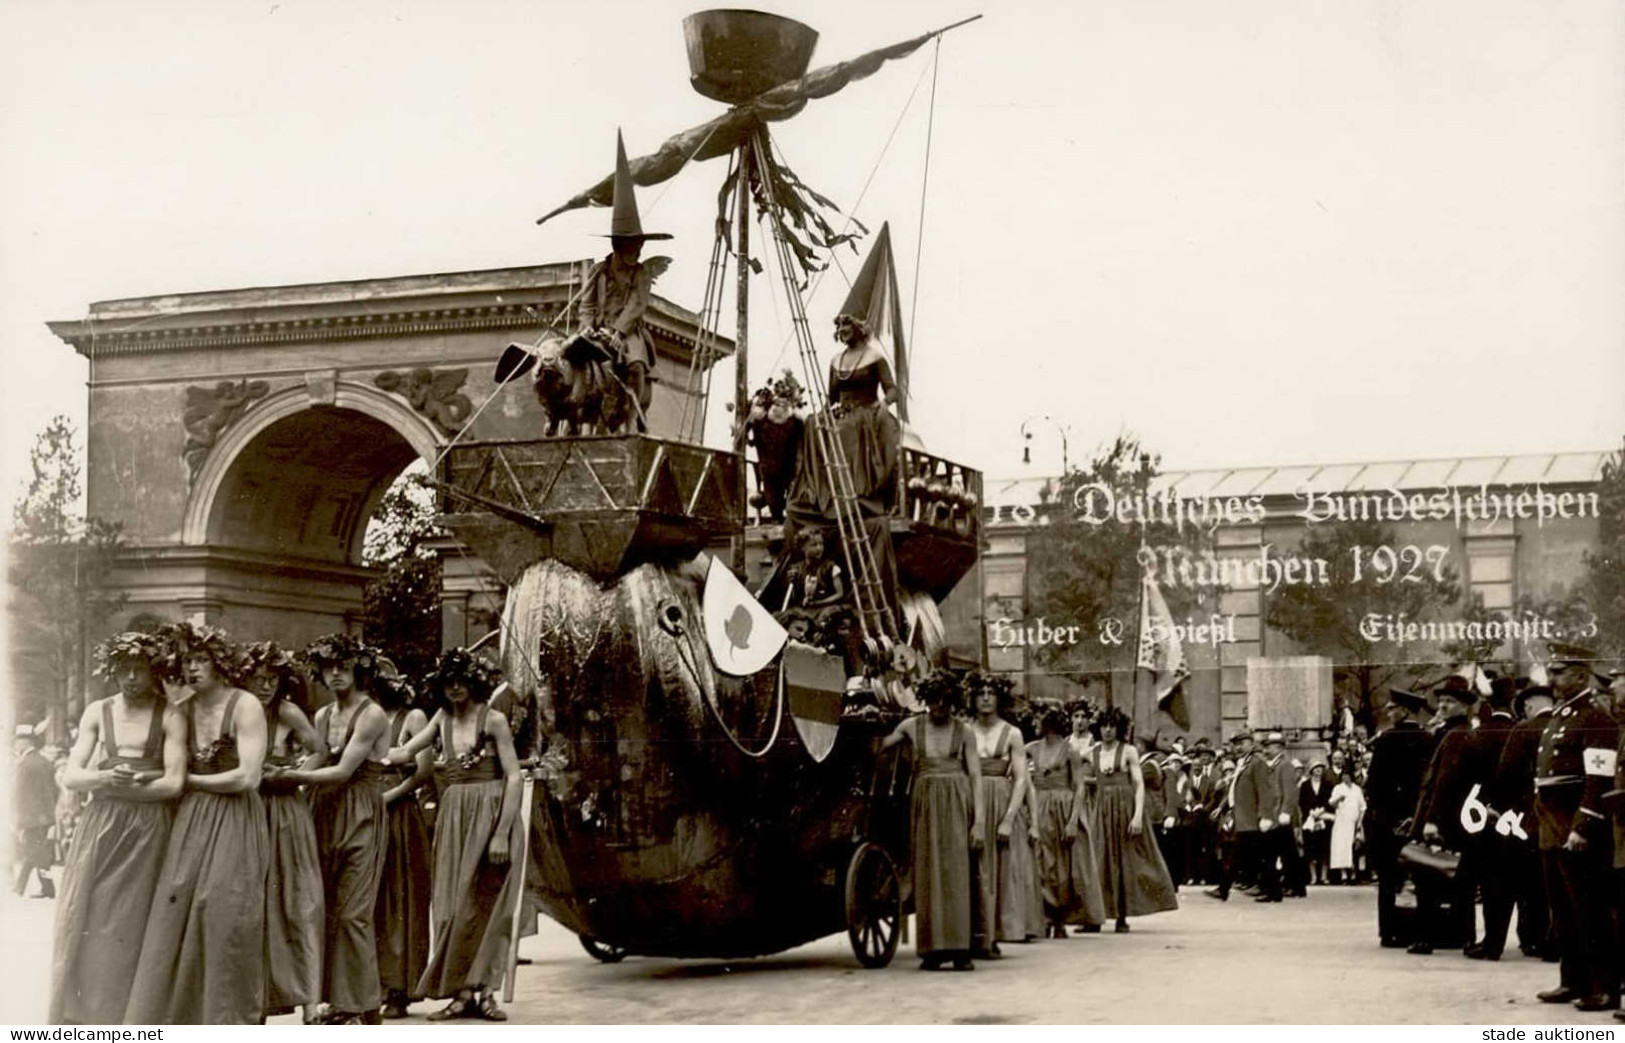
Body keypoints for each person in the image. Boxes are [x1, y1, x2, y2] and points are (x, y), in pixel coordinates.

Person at [126, 623, 270, 1024]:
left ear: (220, 663)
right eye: (187, 661)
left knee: (225, 911)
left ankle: (231, 1018)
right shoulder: (182, 710)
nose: (192, 669)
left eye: (201, 659)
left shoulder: (245, 705)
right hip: (190, 819)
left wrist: (189, 781)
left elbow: (248, 778)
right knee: (178, 911)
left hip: (235, 816)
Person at [49, 631, 186, 1024]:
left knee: (132, 923)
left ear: (152, 671)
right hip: (101, 825)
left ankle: (133, 1019)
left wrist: (138, 785)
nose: (130, 677)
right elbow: (73, 775)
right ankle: (85, 1019)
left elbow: (174, 783)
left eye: (138, 669)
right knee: (86, 918)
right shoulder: (98, 711)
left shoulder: (171, 715)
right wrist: (106, 780)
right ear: (113, 671)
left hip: (148, 828)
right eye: (123, 669)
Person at [389, 649, 522, 1019]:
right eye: (449, 683)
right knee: (451, 906)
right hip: (455, 817)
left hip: (492, 814)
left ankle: (486, 993)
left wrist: (502, 833)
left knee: (488, 905)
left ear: (474, 682)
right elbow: (404, 753)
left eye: (462, 681)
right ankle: (461, 993)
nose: (456, 689)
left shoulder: (492, 720)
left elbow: (513, 776)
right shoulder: (441, 719)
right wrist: (364, 756)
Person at [277, 634, 392, 1025]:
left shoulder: (372, 713)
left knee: (353, 913)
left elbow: (343, 771)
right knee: (324, 908)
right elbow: (318, 757)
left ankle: (357, 1004)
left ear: (359, 670)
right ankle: (346, 1002)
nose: (337, 674)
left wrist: (288, 777)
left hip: (360, 811)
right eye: (330, 668)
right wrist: (284, 774)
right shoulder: (324, 715)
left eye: (345, 667)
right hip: (323, 810)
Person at [1531, 641, 1618, 1013]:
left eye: (1559, 671)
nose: (1551, 677)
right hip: (1550, 821)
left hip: (1575, 821)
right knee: (1561, 907)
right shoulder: (1560, 716)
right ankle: (1572, 979)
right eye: (1551, 671)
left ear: (1581, 674)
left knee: (1588, 907)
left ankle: (1600, 987)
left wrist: (1583, 826)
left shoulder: (1596, 718)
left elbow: (1598, 779)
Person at [243, 641, 325, 1022]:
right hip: (250, 808)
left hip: (285, 811)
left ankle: (309, 1001)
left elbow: (319, 748)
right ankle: (258, 998)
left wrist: (295, 772)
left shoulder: (287, 712)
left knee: (296, 898)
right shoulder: (240, 710)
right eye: (258, 679)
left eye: (271, 679)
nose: (264, 687)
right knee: (255, 902)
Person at [881, 670, 983, 970]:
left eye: (944, 700)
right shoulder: (911, 726)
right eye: (933, 699)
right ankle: (932, 950)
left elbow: (976, 775)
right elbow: (883, 744)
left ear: (952, 700)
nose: (938, 706)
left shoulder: (964, 731)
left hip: (956, 800)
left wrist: (979, 821)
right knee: (927, 870)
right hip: (924, 802)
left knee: (957, 872)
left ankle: (961, 949)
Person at [573, 131, 672, 431]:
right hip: (598, 328)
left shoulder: (640, 273)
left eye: (639, 245)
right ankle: (574, 416)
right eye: (633, 245)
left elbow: (637, 304)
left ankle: (633, 413)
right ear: (619, 245)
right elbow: (585, 303)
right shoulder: (599, 271)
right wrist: (587, 326)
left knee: (635, 363)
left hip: (627, 331)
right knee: (572, 357)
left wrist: (618, 331)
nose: (638, 250)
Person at [1476, 683, 1555, 960]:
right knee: (1541, 888)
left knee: (1502, 884)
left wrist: (1494, 806)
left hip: (1519, 820)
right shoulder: (1563, 728)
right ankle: (1540, 941)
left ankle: (1492, 944)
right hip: (1552, 823)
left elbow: (1506, 773)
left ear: (1529, 707)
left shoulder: (1523, 729)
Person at [373, 667, 434, 1019]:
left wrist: (390, 796)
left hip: (398, 814)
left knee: (401, 898)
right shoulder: (363, 716)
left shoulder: (412, 717)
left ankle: (399, 987)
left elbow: (424, 770)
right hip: (366, 812)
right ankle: (372, 984)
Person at [1406, 677, 1478, 954]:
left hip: (1443, 820)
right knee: (1455, 877)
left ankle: (1427, 937)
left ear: (1464, 706)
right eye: (1442, 701)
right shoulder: (1450, 731)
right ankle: (1460, 935)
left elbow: (1445, 781)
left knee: (1430, 877)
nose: (1443, 705)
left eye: (1450, 702)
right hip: (1450, 818)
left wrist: (1431, 820)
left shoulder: (1456, 735)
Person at [967, 675, 1039, 952]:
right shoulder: (965, 730)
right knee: (974, 870)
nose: (985, 697)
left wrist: (1009, 819)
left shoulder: (1013, 733)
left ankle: (994, 934)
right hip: (972, 801)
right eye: (980, 692)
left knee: (1001, 870)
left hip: (1002, 802)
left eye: (991, 693)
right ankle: (973, 933)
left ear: (1000, 698)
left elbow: (1021, 779)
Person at [1090, 708, 1178, 930]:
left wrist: (1138, 816)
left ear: (1118, 729)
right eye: (1104, 725)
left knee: (1124, 862)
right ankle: (1095, 916)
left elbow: (1138, 785)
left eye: (1112, 726)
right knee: (1099, 860)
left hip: (1124, 809)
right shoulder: (1093, 751)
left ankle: (1121, 916)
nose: (1107, 730)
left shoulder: (1128, 751)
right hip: (1101, 810)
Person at [1364, 687, 1437, 947]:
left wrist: (1382, 814)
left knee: (1388, 879)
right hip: (1418, 819)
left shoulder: (1385, 741)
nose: (1388, 712)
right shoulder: (1430, 740)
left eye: (1392, 708)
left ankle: (1390, 931)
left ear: (1404, 710)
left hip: (1389, 821)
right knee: (1422, 877)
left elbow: (1373, 785)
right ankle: (1422, 933)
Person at [1026, 708, 1106, 937]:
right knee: (1041, 863)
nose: (1037, 724)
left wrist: (1073, 821)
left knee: (1063, 867)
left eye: (1039, 720)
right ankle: (1044, 917)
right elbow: (1011, 765)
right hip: (1040, 807)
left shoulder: (1070, 751)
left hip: (1063, 807)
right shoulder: (1032, 748)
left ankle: (1059, 918)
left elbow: (1080, 785)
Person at [1459, 675, 1520, 961]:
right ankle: (1514, 939)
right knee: (1510, 880)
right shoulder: (1519, 731)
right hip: (1515, 815)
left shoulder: (1478, 734)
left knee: (1488, 879)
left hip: (1482, 815)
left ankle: (1490, 942)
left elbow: (1467, 781)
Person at [745, 373, 806, 523]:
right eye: (777, 401)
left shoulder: (796, 420)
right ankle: (776, 518)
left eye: (785, 400)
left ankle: (787, 520)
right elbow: (745, 427)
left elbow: (804, 441)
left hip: (791, 469)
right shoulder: (760, 418)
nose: (781, 404)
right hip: (768, 469)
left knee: (792, 500)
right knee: (774, 502)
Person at [13, 725, 58, 899]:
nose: (16, 745)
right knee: (34, 850)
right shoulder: (45, 761)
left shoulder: (24, 763)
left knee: (36, 852)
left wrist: (16, 817)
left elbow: (17, 793)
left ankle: (48, 888)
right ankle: (20, 887)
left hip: (29, 816)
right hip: (45, 815)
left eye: (18, 741)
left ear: (25, 742)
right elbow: (54, 790)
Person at [1327, 767, 1366, 884]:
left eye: (1347, 775)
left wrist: (1359, 822)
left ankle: (1354, 873)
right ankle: (1343, 874)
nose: (1345, 777)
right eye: (1343, 775)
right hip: (1341, 822)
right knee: (1341, 847)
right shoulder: (1338, 788)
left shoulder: (1357, 789)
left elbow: (1363, 807)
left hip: (1354, 821)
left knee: (1354, 847)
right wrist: (1339, 798)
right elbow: (1331, 803)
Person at [1300, 762, 1335, 886]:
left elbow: (1330, 801)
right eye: (1316, 768)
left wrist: (1322, 810)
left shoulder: (1328, 785)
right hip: (1309, 820)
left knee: (1324, 848)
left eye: (1320, 768)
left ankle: (1324, 876)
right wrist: (1310, 812)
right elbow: (1302, 802)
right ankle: (1313, 876)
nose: (1318, 770)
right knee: (1310, 849)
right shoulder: (1305, 785)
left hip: (1324, 819)